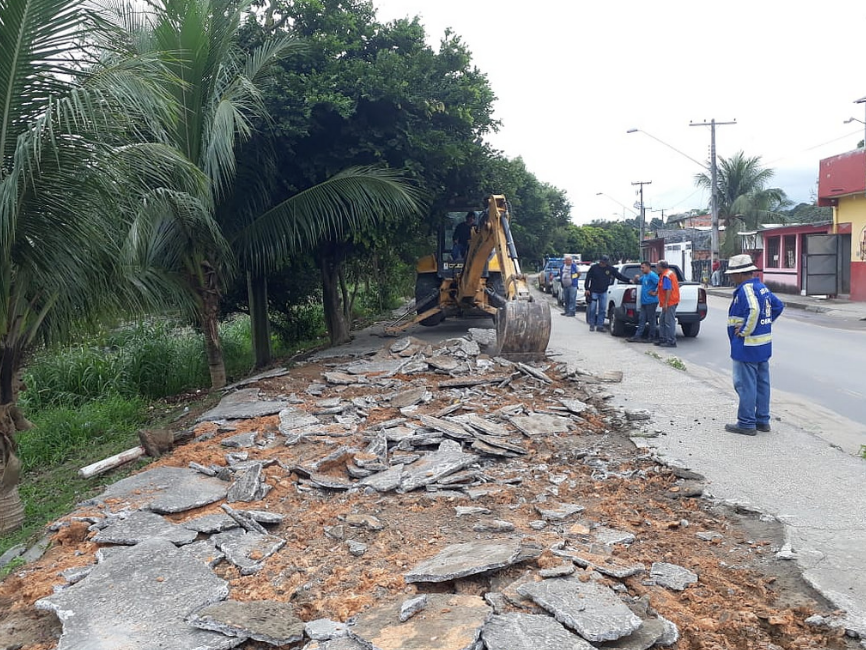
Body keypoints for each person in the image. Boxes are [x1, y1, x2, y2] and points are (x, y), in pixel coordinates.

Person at [724, 254, 785, 436]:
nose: (731, 278)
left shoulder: (746, 289)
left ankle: (746, 423)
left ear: (741, 274)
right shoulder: (762, 287)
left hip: (747, 347)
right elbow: (778, 306)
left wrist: (744, 330)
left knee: (745, 385)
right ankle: (762, 420)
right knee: (762, 384)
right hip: (763, 346)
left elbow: (754, 310)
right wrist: (763, 324)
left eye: (733, 275)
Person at [583, 255, 631, 332]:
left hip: (603, 291)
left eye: (604, 262)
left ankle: (600, 326)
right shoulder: (594, 268)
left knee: (602, 309)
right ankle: (592, 324)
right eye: (601, 262)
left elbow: (618, 276)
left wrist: (629, 280)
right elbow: (588, 278)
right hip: (594, 291)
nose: (602, 264)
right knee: (592, 309)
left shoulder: (610, 269)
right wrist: (587, 289)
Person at [626, 261, 659, 342]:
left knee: (651, 319)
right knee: (642, 319)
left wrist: (655, 293)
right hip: (644, 302)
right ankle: (637, 336)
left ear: (648, 267)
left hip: (651, 301)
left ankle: (651, 337)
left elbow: (660, 284)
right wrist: (636, 278)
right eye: (641, 267)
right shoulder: (645, 276)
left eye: (643, 267)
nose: (641, 269)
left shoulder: (652, 275)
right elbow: (636, 281)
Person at [655, 259, 680, 347]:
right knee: (662, 320)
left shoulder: (666, 275)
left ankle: (671, 341)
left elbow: (668, 289)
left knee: (669, 321)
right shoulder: (666, 274)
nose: (656, 268)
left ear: (661, 267)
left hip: (670, 302)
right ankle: (663, 338)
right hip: (669, 301)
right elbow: (662, 288)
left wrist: (665, 303)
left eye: (657, 266)